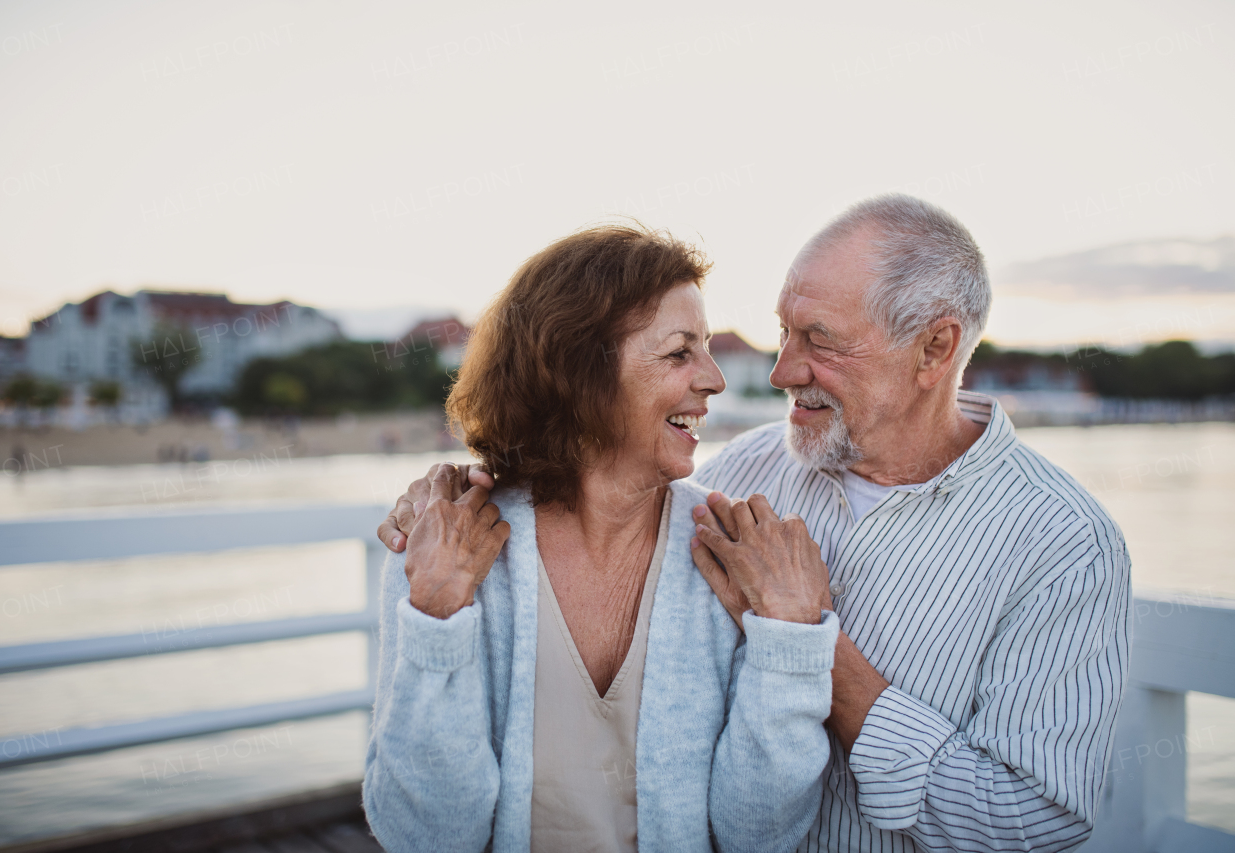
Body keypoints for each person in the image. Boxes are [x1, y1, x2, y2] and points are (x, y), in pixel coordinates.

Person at [381, 195, 1133, 853]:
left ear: (934, 347)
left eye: (820, 338)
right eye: (784, 332)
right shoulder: (731, 481)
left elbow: (1027, 823)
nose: (777, 373)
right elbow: (596, 484)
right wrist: (444, 509)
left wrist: (811, 649)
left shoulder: (1062, 543)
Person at [363, 224, 840, 853]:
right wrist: (435, 618)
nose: (715, 380)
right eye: (679, 353)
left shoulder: (728, 555)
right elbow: (427, 837)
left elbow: (758, 835)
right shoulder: (442, 547)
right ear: (579, 374)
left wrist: (789, 645)